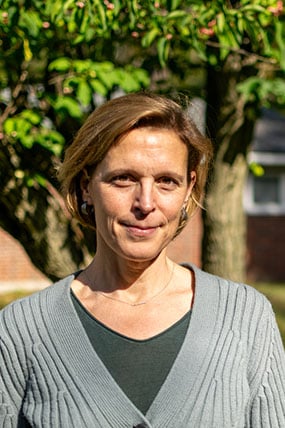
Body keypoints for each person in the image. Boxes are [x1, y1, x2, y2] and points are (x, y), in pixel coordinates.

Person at [0, 92, 284, 428]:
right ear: (86, 185)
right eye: (124, 179)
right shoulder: (22, 330)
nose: (145, 203)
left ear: (188, 190)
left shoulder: (245, 318)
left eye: (167, 181)